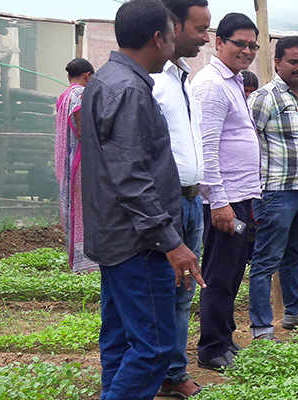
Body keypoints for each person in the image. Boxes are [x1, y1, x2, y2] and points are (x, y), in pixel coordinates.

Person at [78, 1, 204, 398]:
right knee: (155, 347)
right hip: (139, 242)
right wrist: (171, 242)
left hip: (116, 235)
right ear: (158, 38)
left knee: (119, 338)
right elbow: (131, 176)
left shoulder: (106, 79)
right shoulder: (129, 89)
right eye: (172, 33)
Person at [193, 12, 260, 371]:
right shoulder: (211, 84)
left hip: (241, 195)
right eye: (240, 43)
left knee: (233, 272)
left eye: (253, 45)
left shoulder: (233, 80)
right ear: (220, 42)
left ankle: (225, 338)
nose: (247, 51)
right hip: (224, 199)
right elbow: (207, 148)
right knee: (219, 273)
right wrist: (219, 202)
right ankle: (211, 347)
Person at [149, 0, 209, 396]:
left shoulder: (181, 79)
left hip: (191, 201)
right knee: (162, 289)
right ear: (173, 26)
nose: (206, 38)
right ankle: (158, 374)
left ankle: (172, 372)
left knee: (184, 289)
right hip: (165, 203)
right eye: (200, 29)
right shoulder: (153, 82)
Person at [244, 35, 298, 341]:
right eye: (293, 61)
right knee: (265, 259)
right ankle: (262, 326)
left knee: (293, 253)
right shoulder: (264, 97)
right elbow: (247, 142)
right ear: (277, 62)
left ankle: (294, 312)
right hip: (276, 190)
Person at [54, 57, 96, 274]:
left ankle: (78, 258)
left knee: (74, 208)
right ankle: (86, 262)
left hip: (67, 161)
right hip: (80, 162)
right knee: (83, 208)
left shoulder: (63, 96)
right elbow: (82, 129)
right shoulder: (79, 94)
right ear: (88, 75)